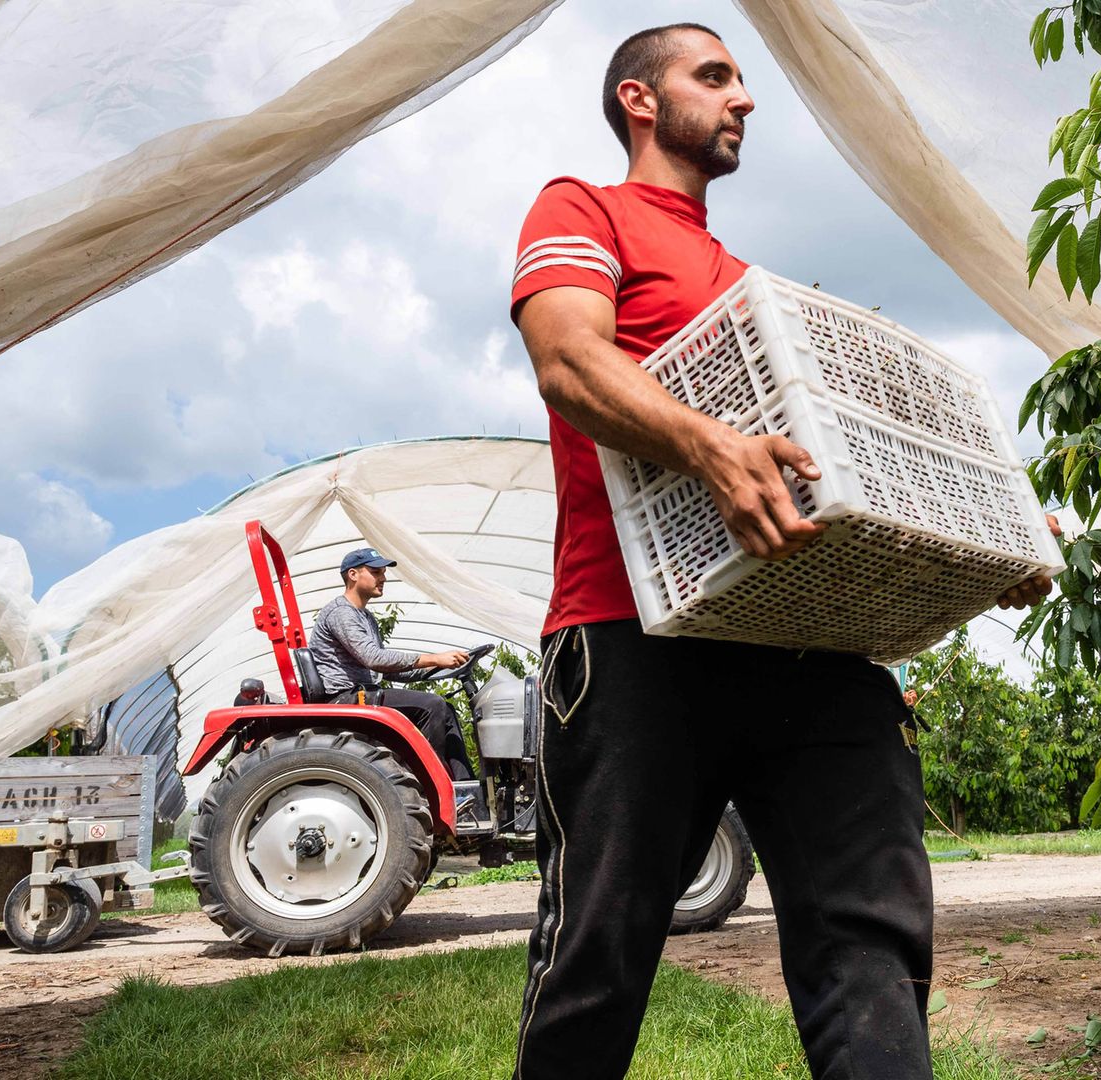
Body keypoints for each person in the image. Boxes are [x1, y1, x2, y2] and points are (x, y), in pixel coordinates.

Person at [506, 22, 1049, 1080]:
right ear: (640, 101)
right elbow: (569, 359)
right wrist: (710, 447)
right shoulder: (583, 210)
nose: (744, 97)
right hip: (633, 636)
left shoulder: (763, 294)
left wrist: (994, 536)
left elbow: (851, 464)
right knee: (598, 952)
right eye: (715, 76)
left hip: (811, 646)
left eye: (744, 79)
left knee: (870, 941)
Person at [306, 546, 475, 782]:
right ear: (353, 574)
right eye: (376, 572)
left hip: (365, 691)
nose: (383, 578)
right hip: (345, 696)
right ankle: (430, 785)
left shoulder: (365, 617)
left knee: (445, 710)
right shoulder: (341, 613)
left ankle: (466, 787)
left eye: (383, 573)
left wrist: (438, 668)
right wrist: (434, 657)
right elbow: (373, 658)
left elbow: (384, 669)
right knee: (432, 706)